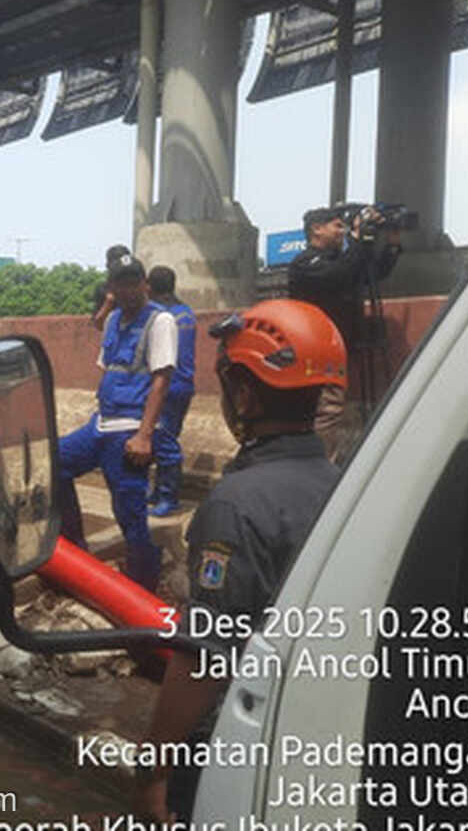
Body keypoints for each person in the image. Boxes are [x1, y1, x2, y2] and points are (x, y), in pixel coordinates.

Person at [136, 299, 346, 823]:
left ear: (245, 395)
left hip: (236, 738)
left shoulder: (237, 504)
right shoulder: (345, 484)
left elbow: (206, 655)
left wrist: (154, 764)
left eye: (228, 384)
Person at [59, 254, 177, 591]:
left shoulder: (160, 321)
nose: (127, 290)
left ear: (145, 285)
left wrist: (144, 435)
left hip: (129, 427)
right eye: (120, 283)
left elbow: (162, 379)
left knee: (129, 514)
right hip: (102, 422)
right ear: (111, 288)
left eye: (133, 282)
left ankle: (143, 585)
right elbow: (108, 369)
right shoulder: (111, 321)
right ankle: (76, 550)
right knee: (53, 463)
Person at [287, 206, 401, 461]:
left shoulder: (342, 262)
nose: (343, 232)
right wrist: (359, 238)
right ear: (316, 229)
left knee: (331, 411)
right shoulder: (306, 263)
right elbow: (339, 274)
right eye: (337, 226)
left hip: (340, 348)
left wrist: (392, 243)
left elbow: (374, 273)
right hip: (315, 351)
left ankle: (325, 462)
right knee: (326, 411)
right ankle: (318, 468)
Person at [145, 267, 196, 517]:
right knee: (162, 438)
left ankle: (169, 497)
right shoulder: (186, 313)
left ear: (150, 288)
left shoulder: (161, 317)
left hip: (168, 386)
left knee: (164, 442)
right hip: (183, 385)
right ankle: (158, 491)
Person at [90, 244, 132, 329]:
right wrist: (109, 302)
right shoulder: (103, 289)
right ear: (108, 265)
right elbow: (98, 324)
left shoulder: (138, 288)